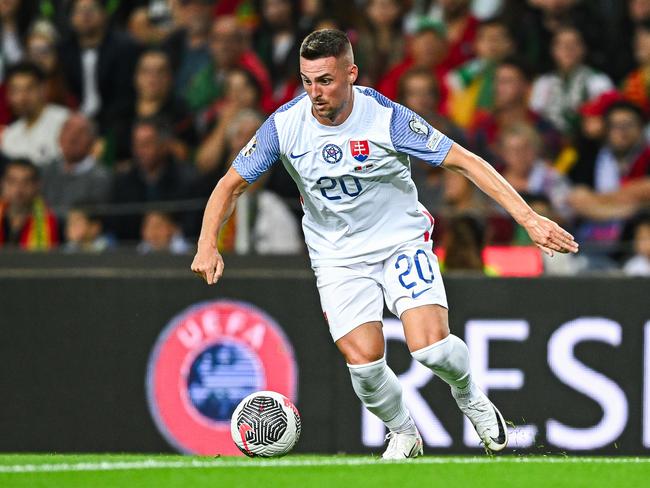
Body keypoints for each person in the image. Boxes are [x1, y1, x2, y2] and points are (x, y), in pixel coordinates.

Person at [191, 29, 578, 459]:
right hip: (337, 256)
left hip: (400, 242)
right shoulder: (285, 126)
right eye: (307, 80)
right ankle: (404, 433)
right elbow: (230, 185)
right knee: (365, 363)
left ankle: (469, 395)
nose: (315, 93)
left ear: (351, 73)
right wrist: (208, 243)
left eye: (326, 80)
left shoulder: (386, 118)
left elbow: (465, 162)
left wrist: (528, 217)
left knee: (430, 347)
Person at [1, 61, 70, 167]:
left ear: (43, 89)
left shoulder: (65, 121)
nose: (22, 98)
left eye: (29, 89)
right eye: (16, 90)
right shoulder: (10, 135)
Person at [0, 158, 59, 250]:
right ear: (3, 184)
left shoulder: (51, 220)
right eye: (12, 182)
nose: (18, 189)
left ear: (37, 185)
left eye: (26, 182)